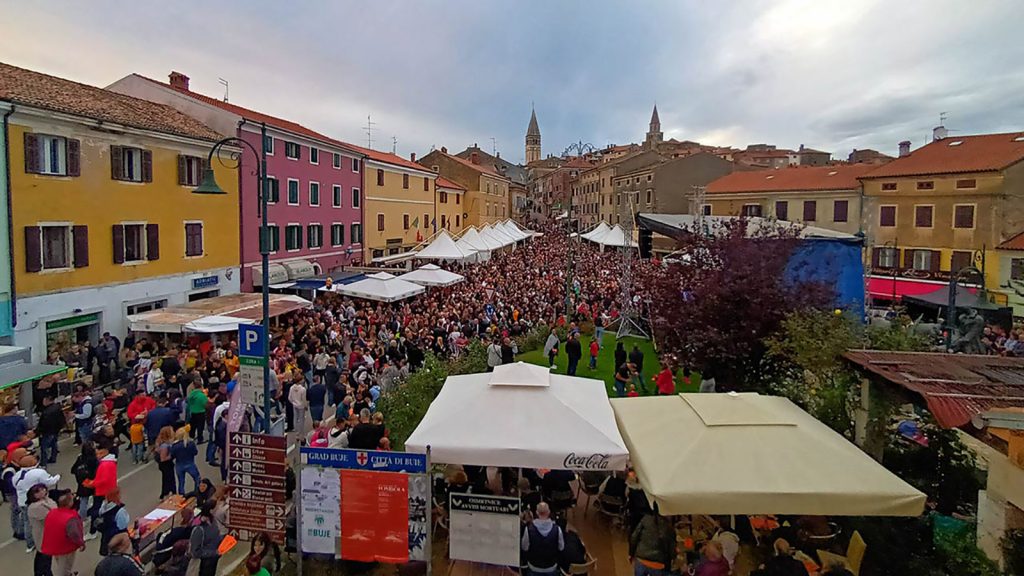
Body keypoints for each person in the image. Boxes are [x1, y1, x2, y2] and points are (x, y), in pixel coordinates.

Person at [14, 454, 61, 553]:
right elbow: (49, 482)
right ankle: (46, 541)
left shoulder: (17, 475)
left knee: (27, 521)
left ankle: (29, 544)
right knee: (41, 523)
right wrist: (57, 477)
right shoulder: (38, 472)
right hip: (36, 502)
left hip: (22, 501)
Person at [41, 490, 84, 576]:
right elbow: (74, 534)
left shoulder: (52, 513)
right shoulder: (71, 517)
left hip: (53, 543)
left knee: (60, 563)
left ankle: (68, 574)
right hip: (65, 546)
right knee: (65, 566)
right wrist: (81, 543)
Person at [521, 502, 564, 574]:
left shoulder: (528, 529)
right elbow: (561, 548)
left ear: (537, 513)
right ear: (549, 512)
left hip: (534, 567)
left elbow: (524, 548)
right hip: (551, 568)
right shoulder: (557, 529)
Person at [629, 509, 675, 576]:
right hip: (658, 565)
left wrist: (631, 553)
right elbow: (672, 550)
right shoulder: (669, 528)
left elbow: (634, 537)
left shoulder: (646, 519)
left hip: (641, 560)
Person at [27, 483, 56, 576]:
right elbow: (53, 515)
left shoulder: (44, 502)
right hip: (43, 536)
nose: (42, 491)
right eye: (38, 491)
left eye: (43, 489)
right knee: (45, 560)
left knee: (41, 557)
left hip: (44, 535)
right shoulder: (36, 507)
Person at [189, 504, 223, 576]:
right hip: (204, 565)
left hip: (214, 561)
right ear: (210, 511)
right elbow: (195, 552)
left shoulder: (213, 521)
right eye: (216, 508)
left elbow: (216, 536)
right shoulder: (199, 530)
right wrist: (213, 553)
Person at [95, 489, 130, 556]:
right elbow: (122, 525)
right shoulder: (119, 511)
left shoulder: (103, 508)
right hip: (117, 538)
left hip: (106, 538)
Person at [170, 428, 200, 495]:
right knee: (197, 478)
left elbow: (172, 455)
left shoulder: (175, 445)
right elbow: (195, 452)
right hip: (190, 463)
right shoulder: (190, 443)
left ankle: (181, 495)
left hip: (179, 464)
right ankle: (197, 492)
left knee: (181, 482)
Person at [36, 395, 65, 466]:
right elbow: (62, 419)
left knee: (44, 448)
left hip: (47, 432)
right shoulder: (58, 408)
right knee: (54, 444)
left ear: (47, 400)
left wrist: (38, 431)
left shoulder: (46, 412)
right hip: (55, 430)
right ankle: (53, 458)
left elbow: (44, 423)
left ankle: (43, 462)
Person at [154, 426, 177, 499]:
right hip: (166, 464)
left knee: (166, 478)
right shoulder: (164, 445)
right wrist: (171, 455)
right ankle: (168, 493)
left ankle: (166, 492)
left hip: (164, 465)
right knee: (169, 478)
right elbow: (163, 458)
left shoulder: (162, 442)